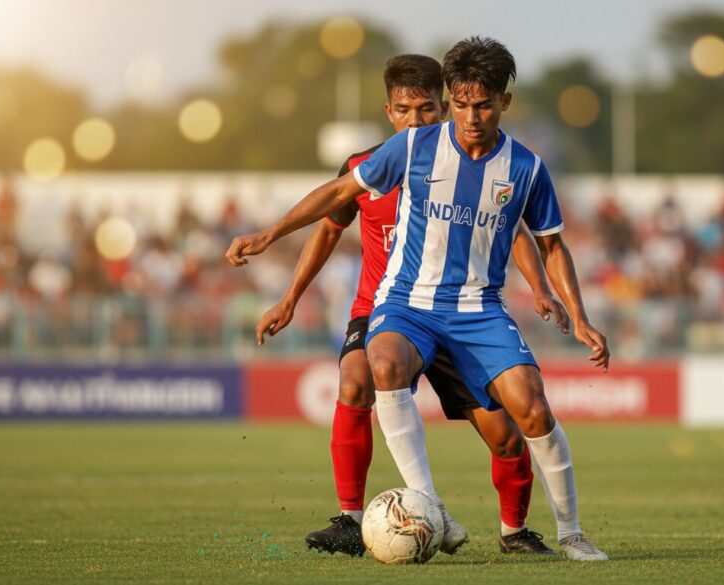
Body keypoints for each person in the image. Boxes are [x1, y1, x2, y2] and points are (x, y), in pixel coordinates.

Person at [226, 37, 610, 561]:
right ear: (449, 99)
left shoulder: (526, 169)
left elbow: (547, 241)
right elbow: (338, 195)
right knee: (376, 366)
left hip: (479, 310)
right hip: (407, 302)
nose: (471, 117)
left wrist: (576, 313)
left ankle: (569, 533)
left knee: (530, 415)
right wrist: (268, 234)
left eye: (483, 105)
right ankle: (425, 506)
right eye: (461, 104)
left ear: (504, 102)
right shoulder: (411, 148)